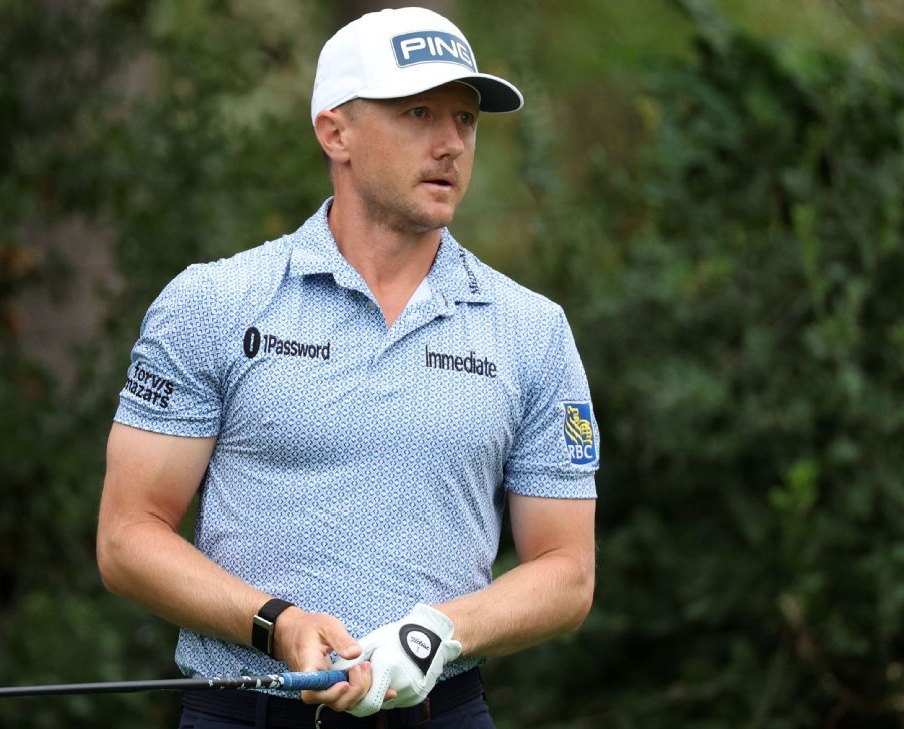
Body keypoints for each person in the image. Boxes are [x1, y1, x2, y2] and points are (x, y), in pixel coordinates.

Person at [96, 7, 599, 728]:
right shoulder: (214, 302)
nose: (451, 143)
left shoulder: (532, 330)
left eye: (464, 119)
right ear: (336, 133)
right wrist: (276, 623)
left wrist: (438, 633)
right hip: (247, 713)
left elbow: (568, 572)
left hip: (443, 713)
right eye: (418, 113)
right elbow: (127, 537)